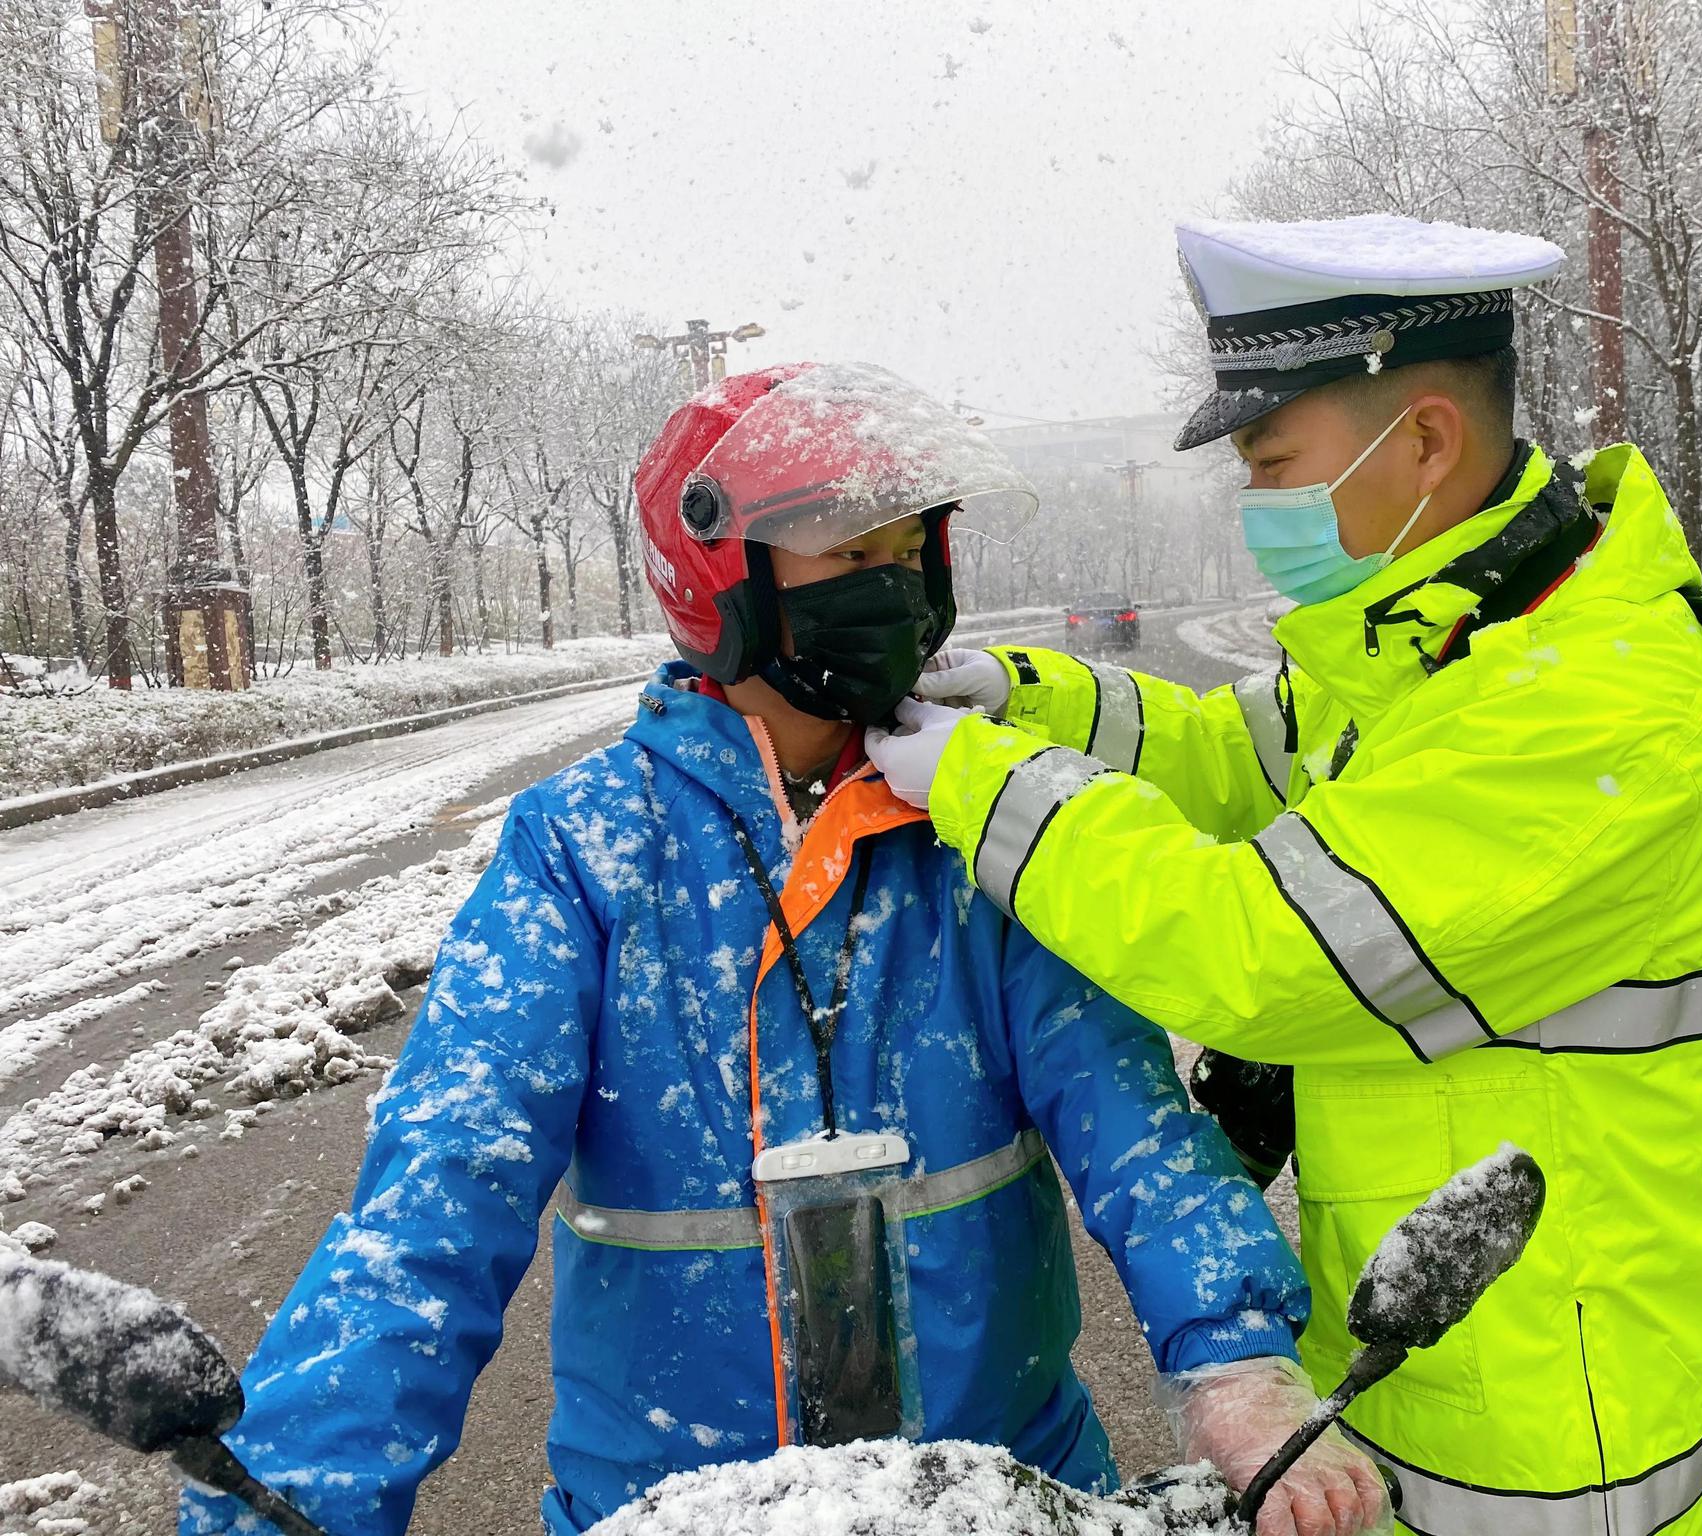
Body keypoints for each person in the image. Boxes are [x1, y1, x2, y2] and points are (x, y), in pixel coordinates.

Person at [179, 362, 1387, 1536]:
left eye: (912, 549)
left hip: (1000, 1495)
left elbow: (1131, 1127)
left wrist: (1237, 1362)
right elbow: (442, 1190)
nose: (896, 584)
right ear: (723, 576)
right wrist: (296, 1492)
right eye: (852, 553)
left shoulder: (983, 822)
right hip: (670, 1509)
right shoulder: (588, 849)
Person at [866, 216, 1702, 1535]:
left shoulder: (1588, 704)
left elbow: (1258, 951)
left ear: (1423, 441)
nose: (1255, 506)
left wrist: (983, 789)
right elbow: (1235, 757)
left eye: (1273, 465)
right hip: (1466, 1353)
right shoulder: (1454, 636)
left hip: (1569, 1443)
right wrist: (1026, 700)